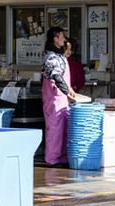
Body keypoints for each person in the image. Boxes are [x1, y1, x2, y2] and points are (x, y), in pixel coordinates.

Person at [41, 27, 77, 167]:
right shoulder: (51, 57)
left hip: (62, 98)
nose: (64, 39)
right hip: (54, 98)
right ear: (55, 39)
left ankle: (62, 157)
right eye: (62, 36)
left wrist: (69, 90)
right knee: (54, 128)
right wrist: (67, 91)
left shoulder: (60, 56)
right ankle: (52, 158)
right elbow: (55, 76)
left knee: (63, 128)